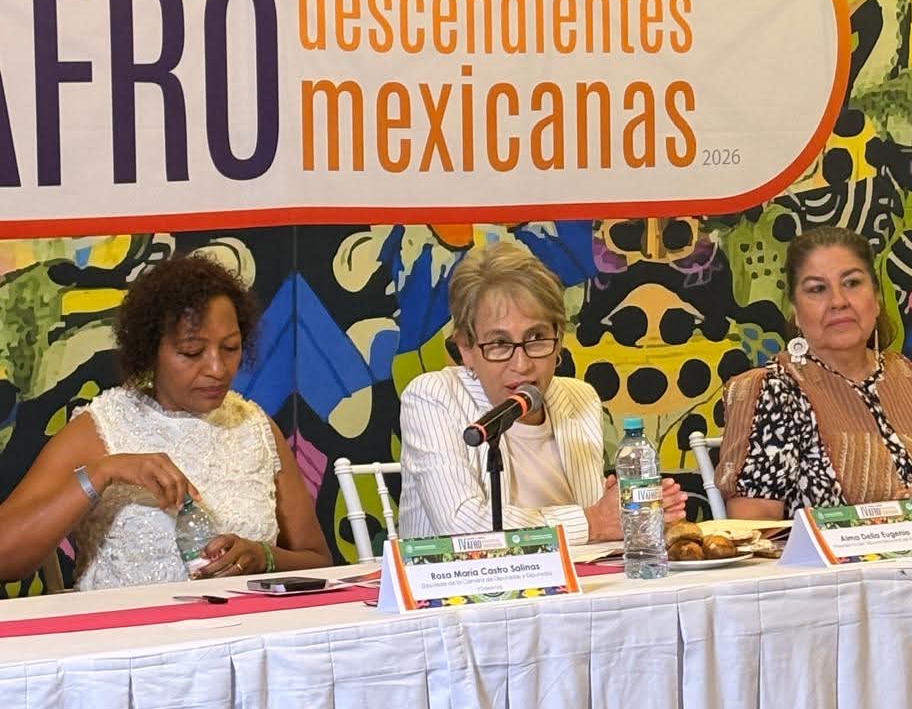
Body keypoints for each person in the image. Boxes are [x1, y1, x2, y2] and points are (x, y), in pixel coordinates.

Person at [0, 254, 332, 587]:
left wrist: (264, 557)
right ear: (150, 350)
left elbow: (318, 562)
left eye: (230, 348)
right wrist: (103, 472)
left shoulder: (255, 427)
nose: (217, 368)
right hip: (132, 621)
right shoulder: (100, 427)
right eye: (192, 352)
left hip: (245, 620)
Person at [399, 240, 687, 542]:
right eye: (499, 343)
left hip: (575, 570)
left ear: (559, 341)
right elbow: (462, 528)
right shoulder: (433, 396)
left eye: (536, 337)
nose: (521, 365)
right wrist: (593, 521)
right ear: (466, 349)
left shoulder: (579, 398)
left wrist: (628, 509)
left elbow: (598, 522)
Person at [715, 225, 912, 519]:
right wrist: (876, 523)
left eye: (852, 283)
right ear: (795, 311)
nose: (838, 301)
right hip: (822, 552)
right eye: (817, 289)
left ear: (877, 299)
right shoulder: (773, 391)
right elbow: (753, 527)